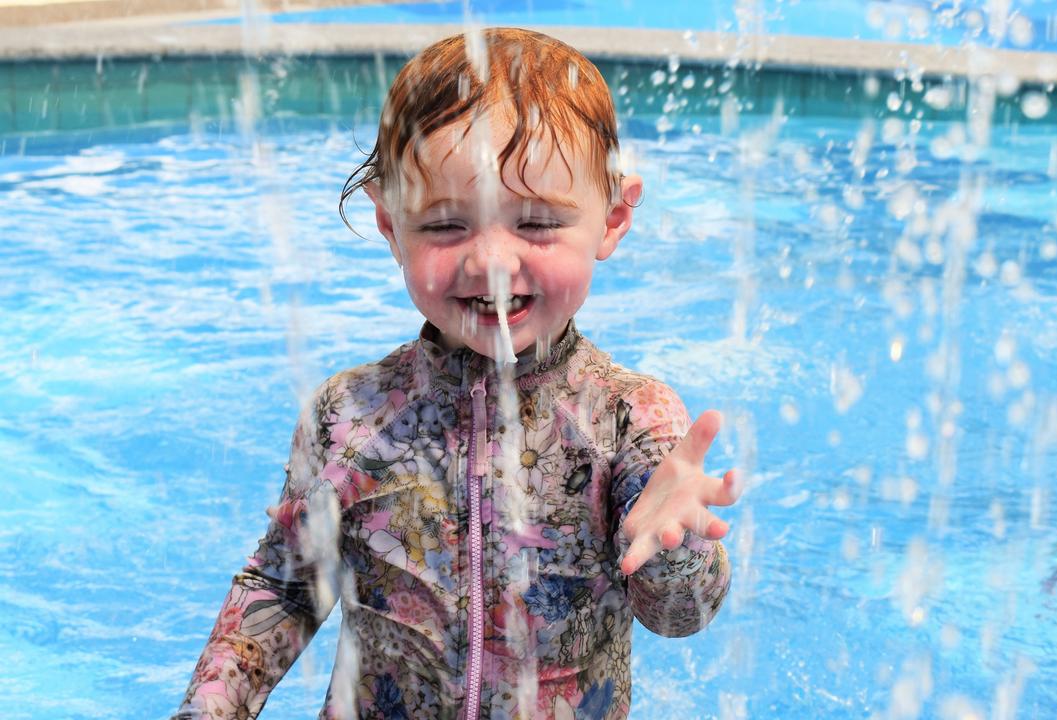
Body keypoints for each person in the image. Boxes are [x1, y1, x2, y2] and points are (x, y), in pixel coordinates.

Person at [175, 27, 737, 720]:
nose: (492, 262)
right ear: (391, 226)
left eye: (535, 223)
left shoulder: (629, 421)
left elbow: (684, 616)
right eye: (446, 226)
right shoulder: (349, 415)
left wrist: (671, 551)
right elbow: (286, 586)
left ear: (612, 219)